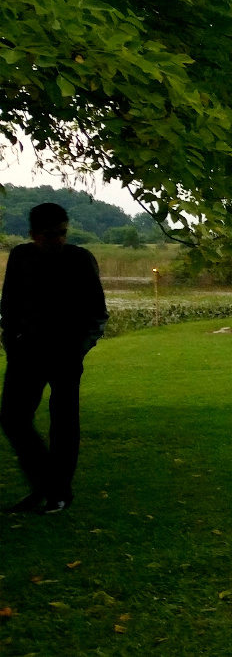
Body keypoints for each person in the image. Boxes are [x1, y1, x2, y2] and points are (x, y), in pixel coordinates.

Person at [1, 203, 108, 514]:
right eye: (50, 235)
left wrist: (80, 346)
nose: (58, 240)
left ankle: (58, 492)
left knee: (64, 422)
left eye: (63, 233)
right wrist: (11, 339)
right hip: (26, 351)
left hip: (66, 352)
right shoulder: (21, 257)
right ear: (34, 234)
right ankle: (46, 484)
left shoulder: (79, 259)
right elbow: (9, 304)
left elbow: (97, 312)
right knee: (12, 418)